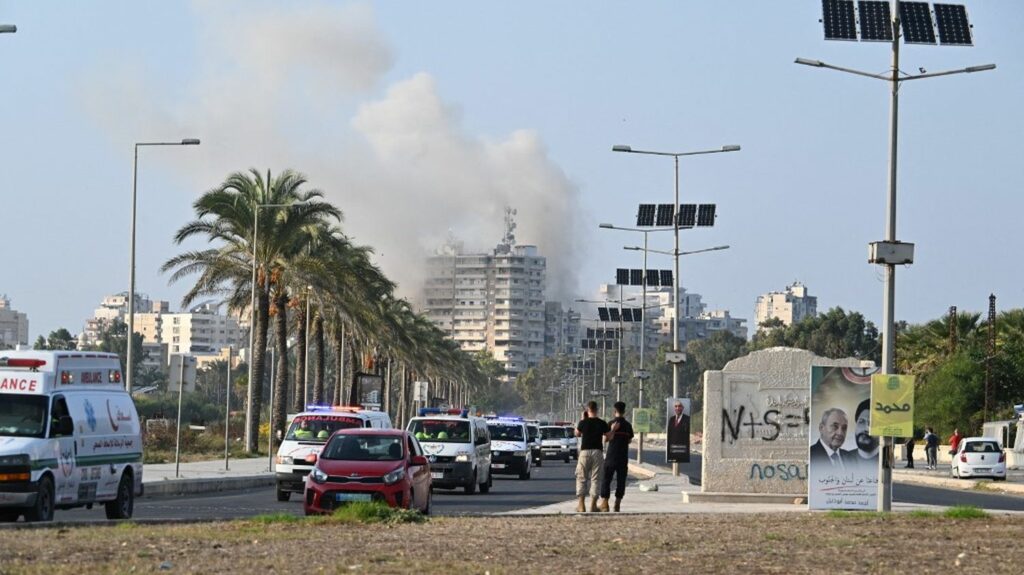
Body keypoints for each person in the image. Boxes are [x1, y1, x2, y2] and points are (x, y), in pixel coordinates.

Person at [575, 401, 612, 513]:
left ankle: (581, 505)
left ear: (587, 410)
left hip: (584, 452)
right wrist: (613, 430)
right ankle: (593, 505)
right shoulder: (602, 423)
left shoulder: (583, 422)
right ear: (597, 409)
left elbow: (577, 433)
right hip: (597, 452)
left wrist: (582, 419)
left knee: (581, 477)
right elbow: (609, 436)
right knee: (595, 479)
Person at [599, 401, 634, 512]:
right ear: (624, 411)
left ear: (614, 411)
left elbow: (606, 439)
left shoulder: (610, 424)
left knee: (606, 479)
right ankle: (617, 504)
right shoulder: (628, 426)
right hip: (623, 457)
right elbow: (629, 440)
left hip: (611, 457)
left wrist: (613, 432)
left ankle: (605, 503)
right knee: (621, 480)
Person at [850, 399, 878, 472]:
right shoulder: (844, 459)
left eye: (871, 424)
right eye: (861, 422)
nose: (866, 428)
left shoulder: (884, 460)